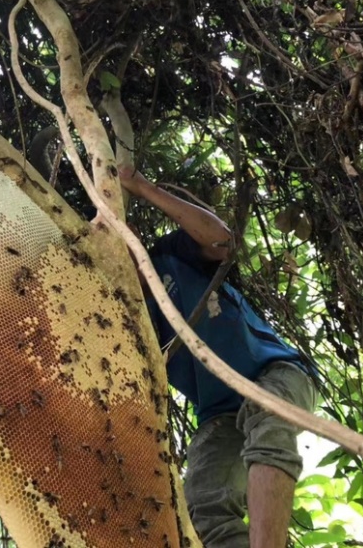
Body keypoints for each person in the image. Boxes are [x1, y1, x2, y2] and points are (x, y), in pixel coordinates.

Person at [118, 167, 319, 548]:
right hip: (217, 414)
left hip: (274, 372)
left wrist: (142, 188)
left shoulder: (171, 256)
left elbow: (222, 242)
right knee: (203, 508)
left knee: (269, 418)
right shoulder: (122, 318)